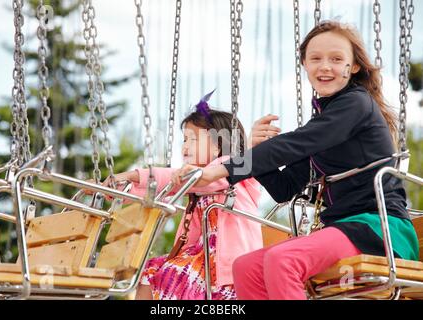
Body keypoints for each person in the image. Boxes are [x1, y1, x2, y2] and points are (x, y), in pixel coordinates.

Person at [173, 21, 420, 300]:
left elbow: (295, 143)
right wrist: (256, 148)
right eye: (315, 58)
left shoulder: (356, 104)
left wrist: (220, 170)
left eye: (336, 59)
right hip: (342, 230)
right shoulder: (325, 125)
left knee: (283, 259)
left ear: (353, 67)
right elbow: (284, 187)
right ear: (304, 64)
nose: (325, 66)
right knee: (247, 267)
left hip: (378, 228)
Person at [102, 90, 272, 300]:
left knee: (174, 273)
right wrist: (116, 188)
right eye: (184, 140)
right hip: (202, 260)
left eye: (192, 139)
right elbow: (162, 188)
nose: (184, 146)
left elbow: (186, 177)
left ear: (219, 145)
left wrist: (130, 174)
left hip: (228, 268)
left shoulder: (232, 169)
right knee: (150, 271)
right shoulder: (196, 184)